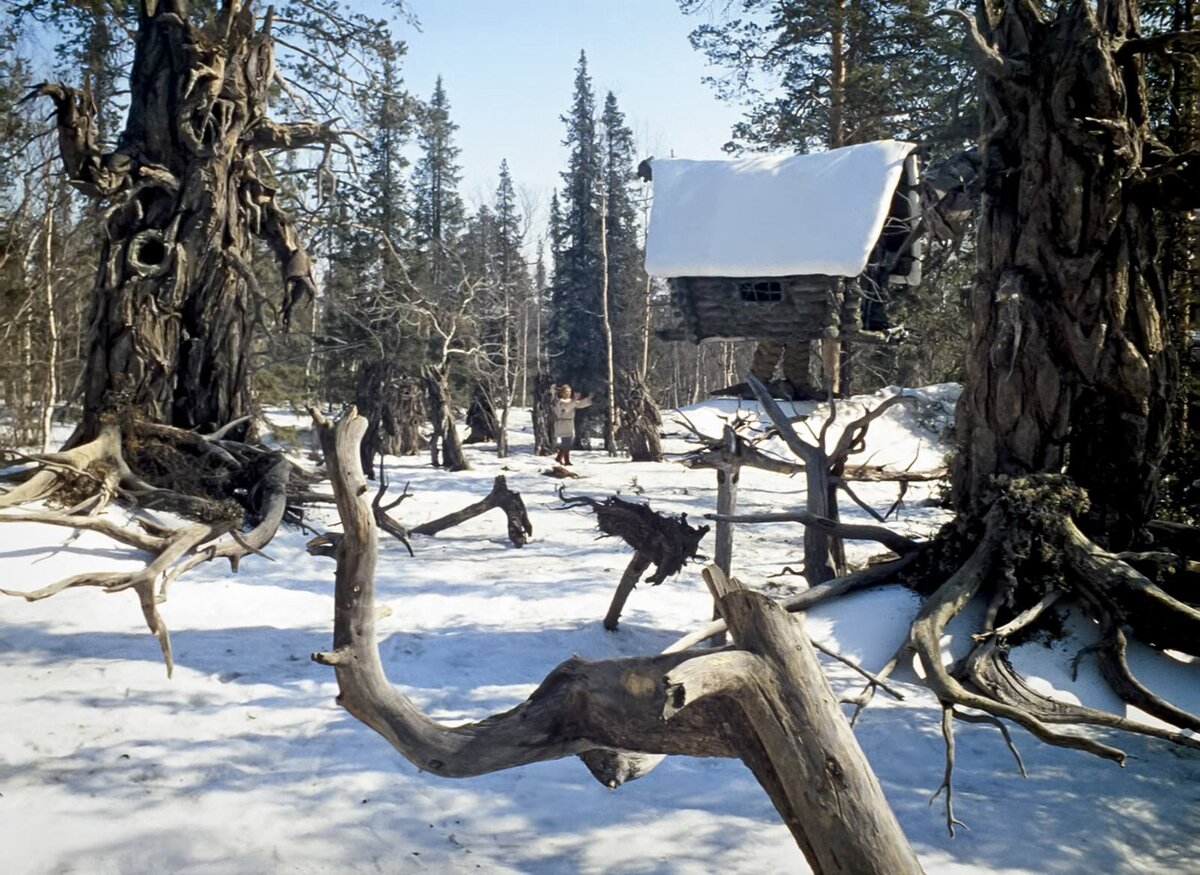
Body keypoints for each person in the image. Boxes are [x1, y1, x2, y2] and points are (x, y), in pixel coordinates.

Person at [552, 384, 592, 466]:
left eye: (569, 392)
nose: (568, 393)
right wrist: (574, 400)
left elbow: (580, 404)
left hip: (569, 423)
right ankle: (565, 460)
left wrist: (589, 399)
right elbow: (567, 408)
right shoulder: (560, 402)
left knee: (567, 442)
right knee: (566, 442)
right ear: (562, 393)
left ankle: (559, 458)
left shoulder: (570, 401)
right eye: (566, 392)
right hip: (562, 423)